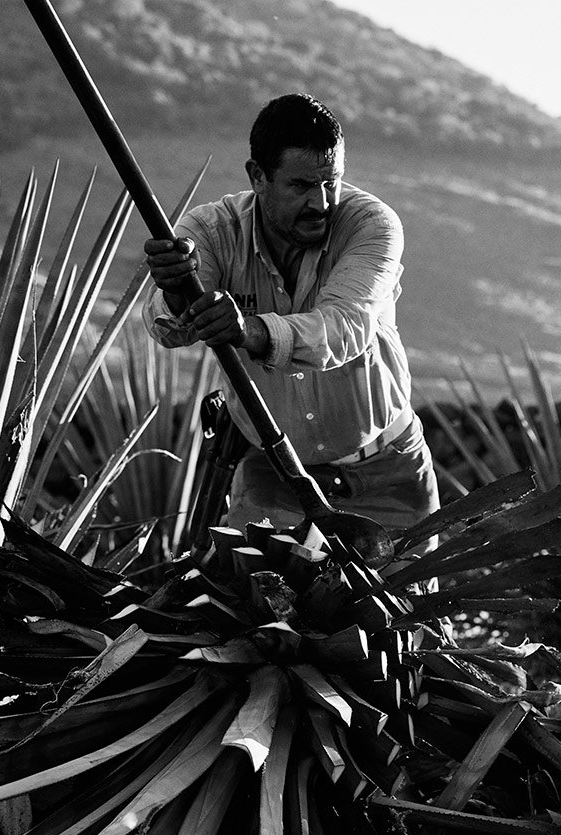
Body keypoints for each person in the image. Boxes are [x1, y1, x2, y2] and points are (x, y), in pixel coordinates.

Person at [142, 93, 438, 540]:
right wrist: (178, 292)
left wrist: (250, 331)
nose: (321, 203)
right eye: (301, 186)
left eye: (331, 182)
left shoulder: (372, 226)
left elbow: (345, 328)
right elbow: (166, 327)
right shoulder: (209, 232)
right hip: (274, 479)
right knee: (254, 606)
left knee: (408, 609)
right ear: (257, 176)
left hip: (390, 476)